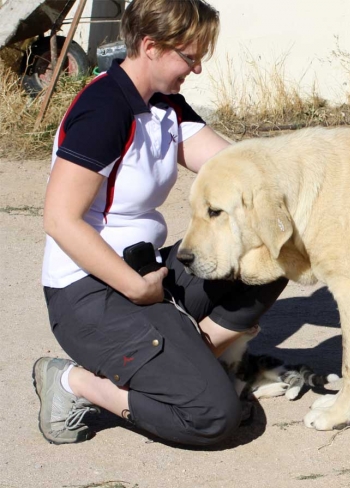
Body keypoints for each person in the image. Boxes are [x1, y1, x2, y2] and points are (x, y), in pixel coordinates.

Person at [33, 0, 287, 447]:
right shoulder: (105, 108)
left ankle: (196, 354)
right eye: (190, 57)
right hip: (90, 293)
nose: (198, 69)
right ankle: (75, 383)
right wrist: (135, 289)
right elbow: (59, 219)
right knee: (214, 417)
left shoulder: (166, 106)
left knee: (275, 249)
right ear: (150, 46)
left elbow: (239, 170)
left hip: (149, 274)